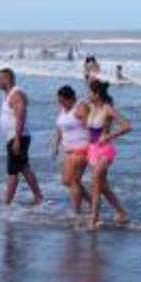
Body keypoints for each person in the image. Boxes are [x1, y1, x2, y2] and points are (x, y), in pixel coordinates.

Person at [86, 80, 130, 228]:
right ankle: (122, 213)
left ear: (97, 94)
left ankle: (94, 220)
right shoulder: (91, 107)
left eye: (90, 92)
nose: (88, 94)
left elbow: (127, 126)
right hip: (92, 150)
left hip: (105, 150)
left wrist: (109, 136)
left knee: (95, 183)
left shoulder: (108, 109)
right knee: (103, 186)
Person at [0, 69, 44, 205]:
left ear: (6, 79)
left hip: (18, 137)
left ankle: (7, 203)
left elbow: (20, 117)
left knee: (13, 172)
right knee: (24, 168)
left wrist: (17, 139)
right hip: (14, 137)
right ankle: (38, 196)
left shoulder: (16, 94)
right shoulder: (8, 94)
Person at [52, 85, 91, 216]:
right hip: (69, 150)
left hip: (82, 148)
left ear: (72, 98)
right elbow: (60, 128)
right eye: (59, 101)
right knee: (68, 181)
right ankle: (92, 202)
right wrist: (56, 145)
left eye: (63, 101)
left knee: (72, 180)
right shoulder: (63, 109)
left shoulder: (81, 107)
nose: (61, 103)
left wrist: (94, 148)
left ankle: (77, 212)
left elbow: (91, 128)